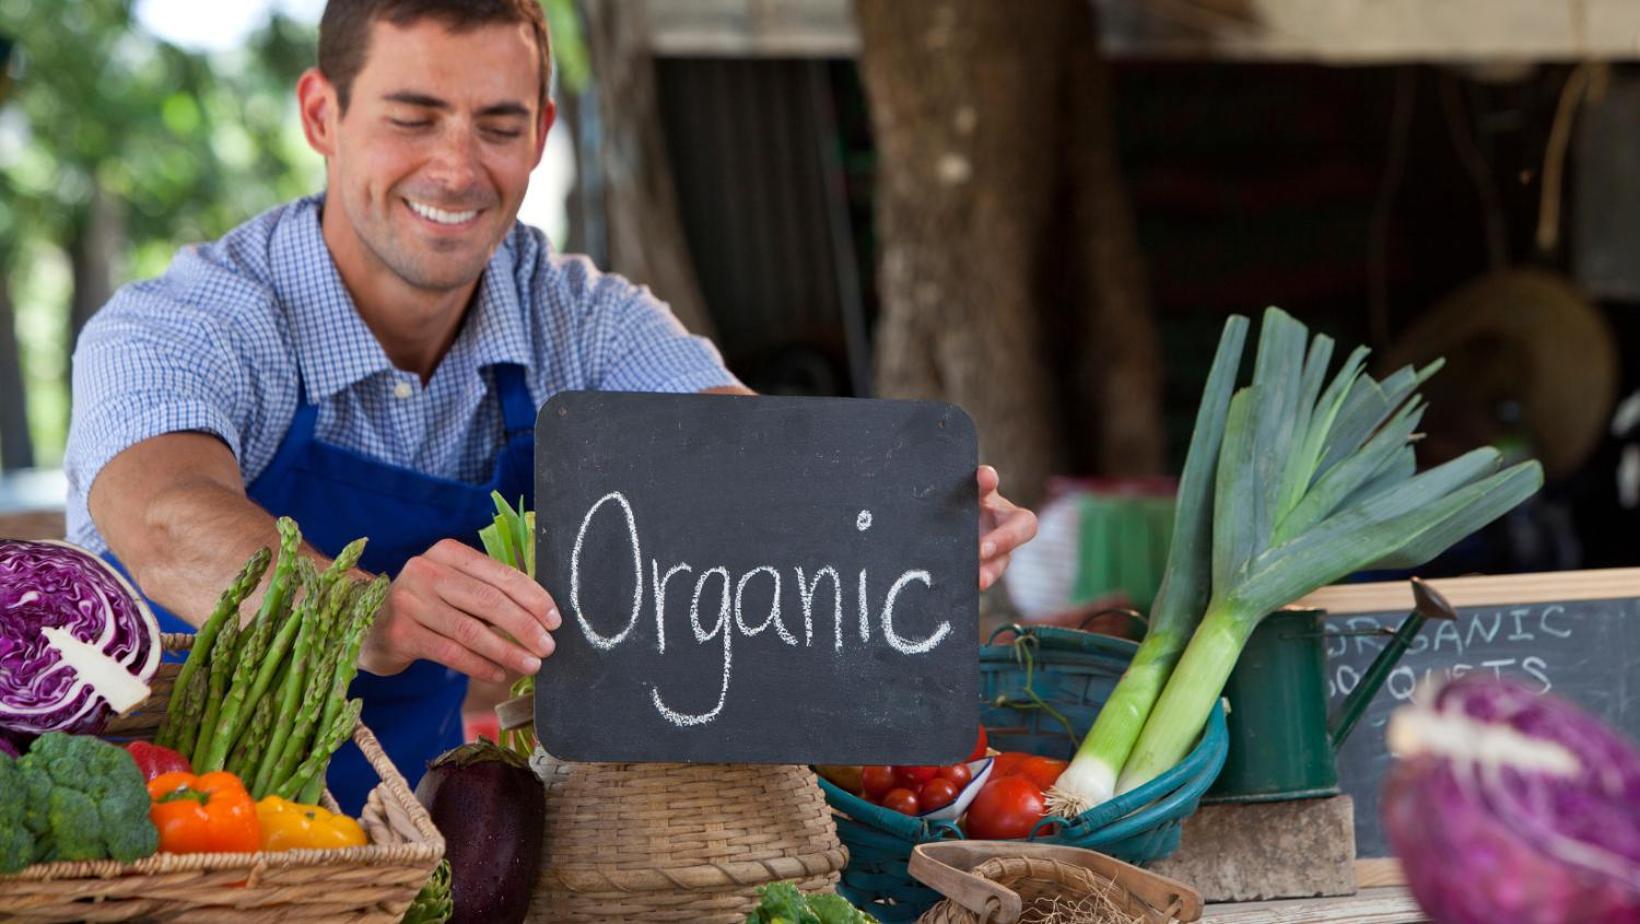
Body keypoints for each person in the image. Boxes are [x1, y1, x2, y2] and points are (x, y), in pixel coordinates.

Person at [64, 0, 1038, 810]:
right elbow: (162, 515)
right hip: (154, 827)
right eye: (411, 117)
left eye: (496, 125)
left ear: (541, 131)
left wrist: (889, 522)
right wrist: (364, 616)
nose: (456, 168)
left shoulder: (582, 322)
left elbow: (754, 458)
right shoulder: (188, 321)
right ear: (322, 115)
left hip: (407, 835)